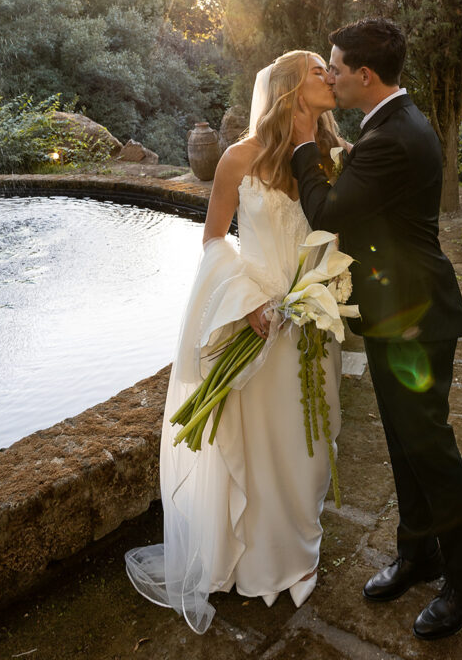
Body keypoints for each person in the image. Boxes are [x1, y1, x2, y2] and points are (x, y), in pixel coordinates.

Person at [125, 51, 344, 634]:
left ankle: (299, 550)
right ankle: (254, 559)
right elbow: (215, 243)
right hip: (260, 319)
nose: (331, 76)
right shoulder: (238, 158)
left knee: (311, 442)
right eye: (320, 69)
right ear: (292, 88)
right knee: (262, 441)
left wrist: (328, 289)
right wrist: (248, 302)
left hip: (314, 319)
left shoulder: (335, 158)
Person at [291, 18, 462, 640]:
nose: (330, 76)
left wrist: (302, 146)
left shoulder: (389, 138)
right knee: (405, 445)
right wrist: (346, 157)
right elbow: (377, 190)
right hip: (400, 313)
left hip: (415, 320)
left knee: (429, 448)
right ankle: (418, 553)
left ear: (364, 75)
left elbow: (325, 211)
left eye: (336, 67)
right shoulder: (394, 124)